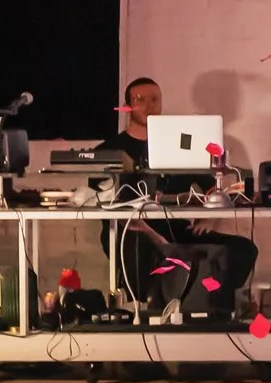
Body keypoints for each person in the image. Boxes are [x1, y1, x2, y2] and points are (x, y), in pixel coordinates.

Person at [96, 76, 257, 324]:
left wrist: (209, 220)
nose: (149, 105)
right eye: (141, 100)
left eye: (155, 99)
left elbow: (215, 190)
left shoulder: (182, 145)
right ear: (128, 105)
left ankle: (217, 308)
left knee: (243, 249)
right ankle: (142, 314)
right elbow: (97, 193)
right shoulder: (111, 148)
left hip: (177, 228)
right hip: (132, 229)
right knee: (136, 249)